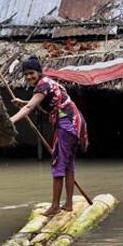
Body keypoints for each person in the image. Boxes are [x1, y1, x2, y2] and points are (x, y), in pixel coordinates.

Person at [10, 55, 88, 216]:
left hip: (66, 124)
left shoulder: (42, 85)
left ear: (39, 72)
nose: (29, 77)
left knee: (58, 163)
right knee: (68, 164)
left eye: (31, 73)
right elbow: (40, 102)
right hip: (75, 124)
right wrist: (24, 103)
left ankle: (55, 206)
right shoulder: (47, 83)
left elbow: (31, 107)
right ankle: (68, 204)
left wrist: (10, 121)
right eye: (26, 74)